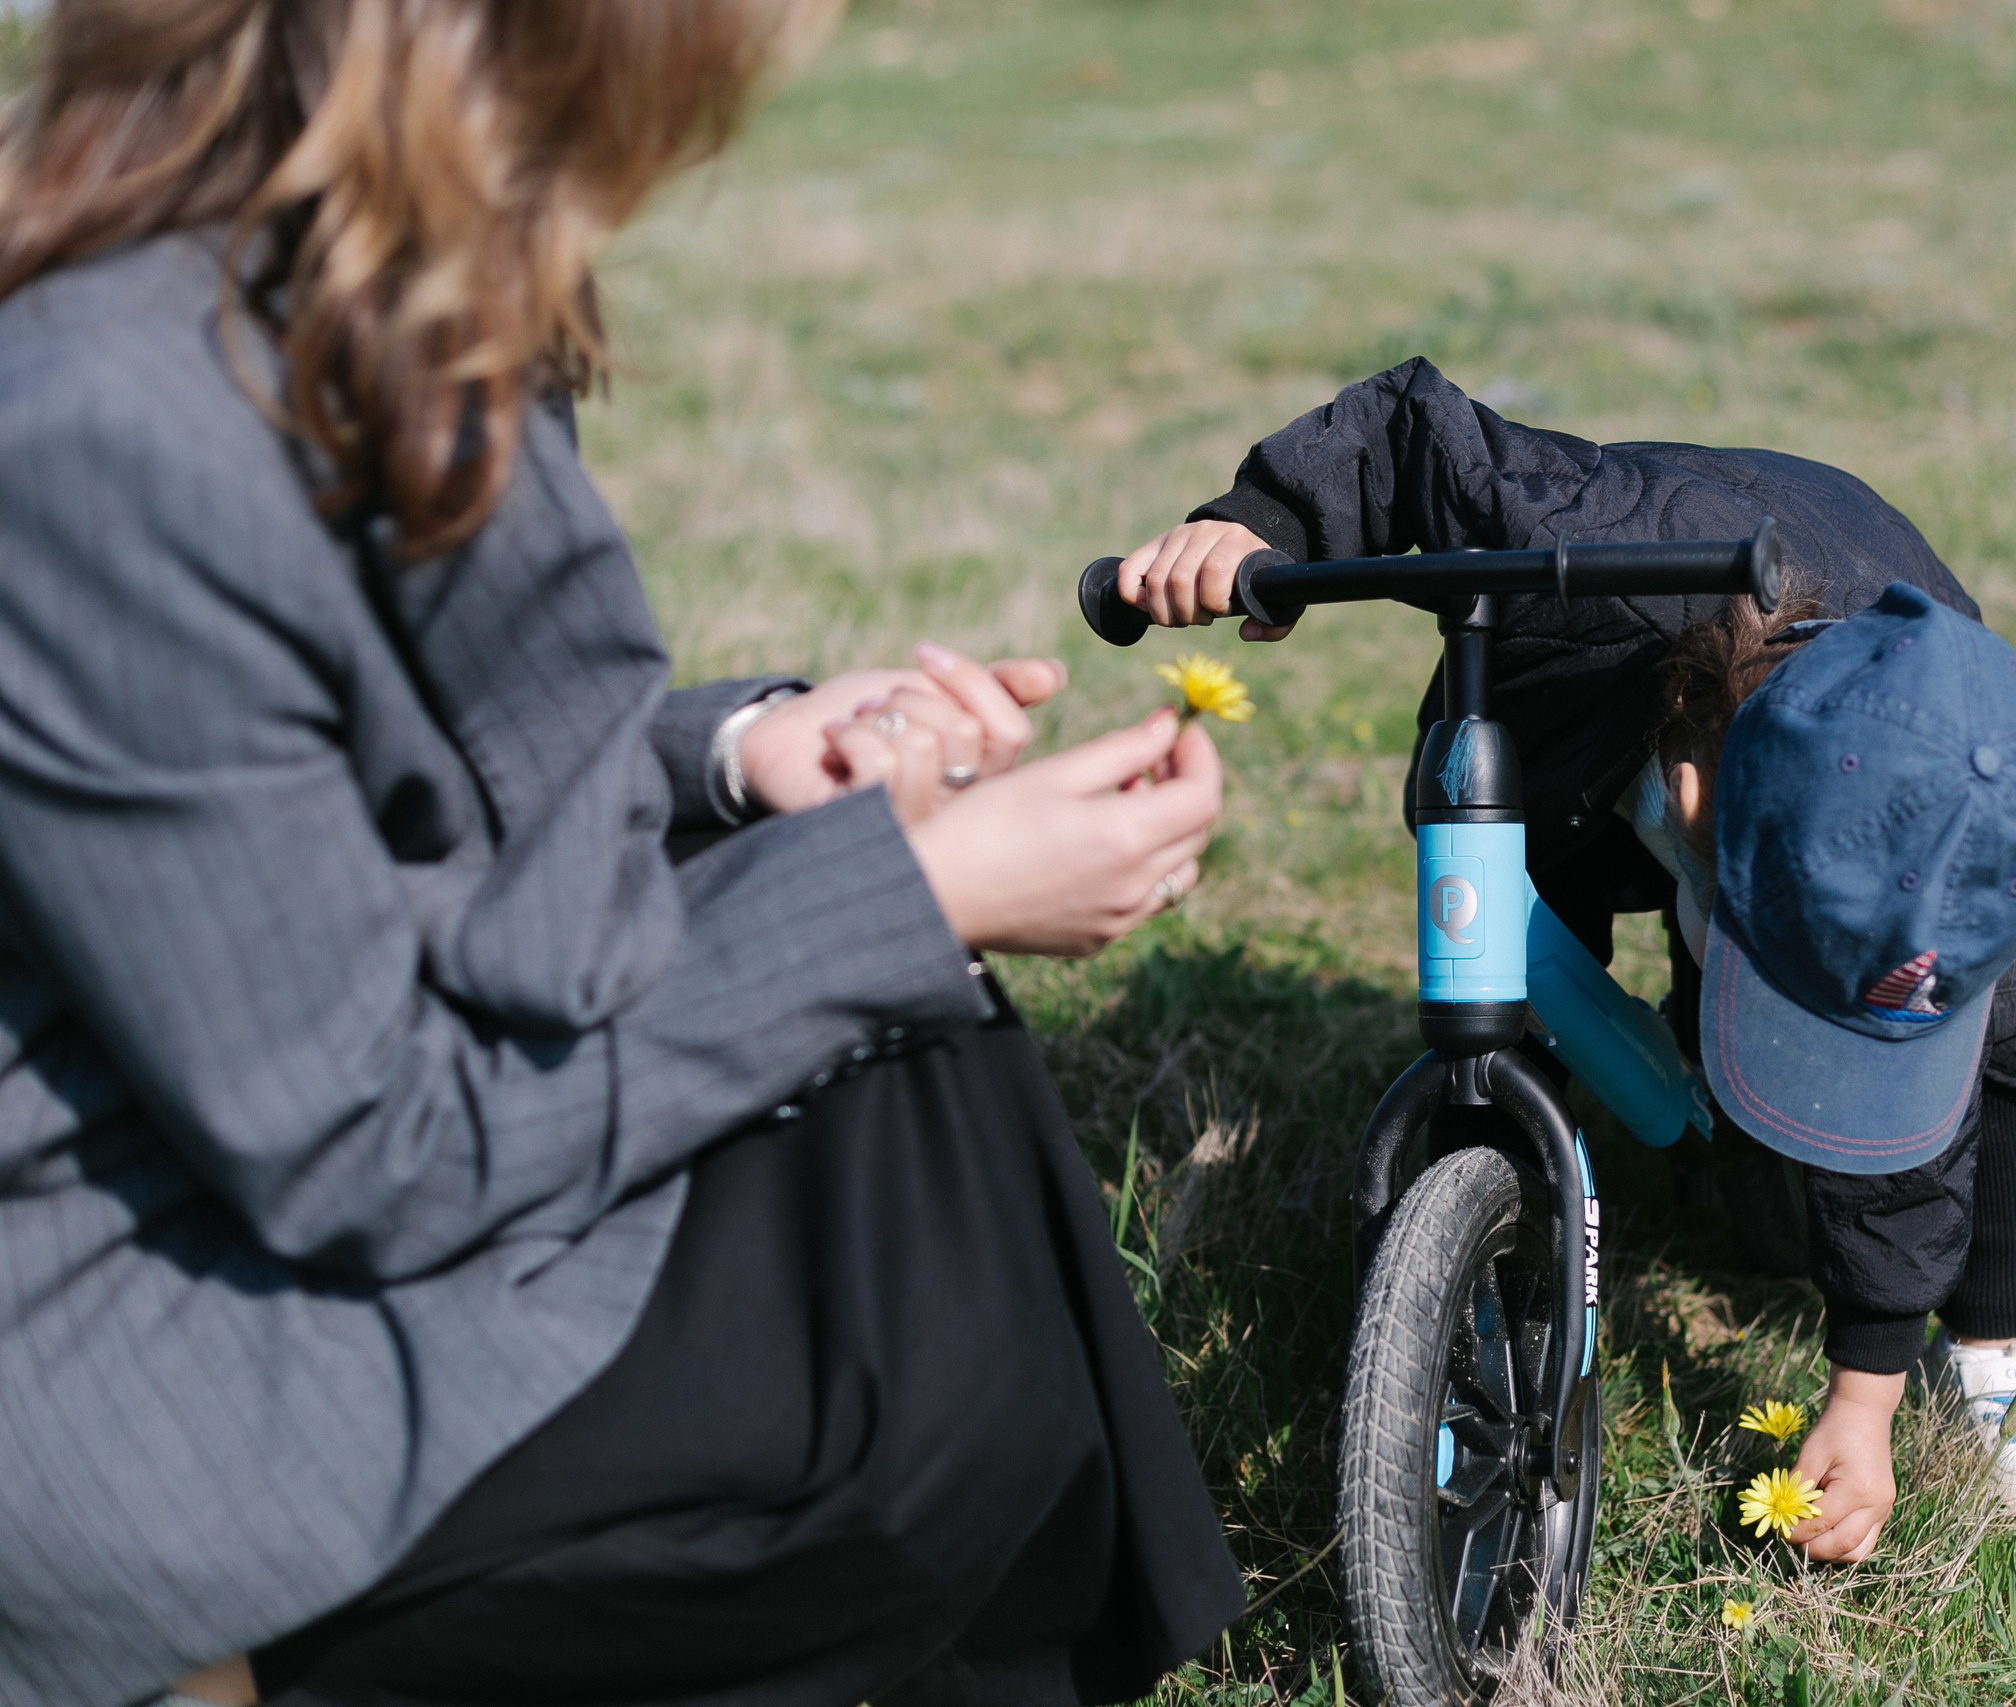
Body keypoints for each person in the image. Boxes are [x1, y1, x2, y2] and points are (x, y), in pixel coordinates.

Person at [0, 5, 1241, 1705]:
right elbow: (364, 1139)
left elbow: (320, 776)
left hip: (286, 1153)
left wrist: (743, 754)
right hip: (152, 1343)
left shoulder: (322, 295)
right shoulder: (109, 435)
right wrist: (920, 892)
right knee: (899, 1382)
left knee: (919, 1083)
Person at [1116, 358, 2016, 1559]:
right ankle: (1494, 1256)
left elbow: (1904, 1111)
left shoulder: (1974, 867)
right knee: (1524, 980)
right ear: (1689, 800)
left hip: (1868, 703)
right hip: (1573, 732)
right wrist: (1256, 522)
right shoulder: (1576, 532)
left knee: (1873, 1143)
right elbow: (1411, 430)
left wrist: (1865, 1394)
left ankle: (2004, 1348)